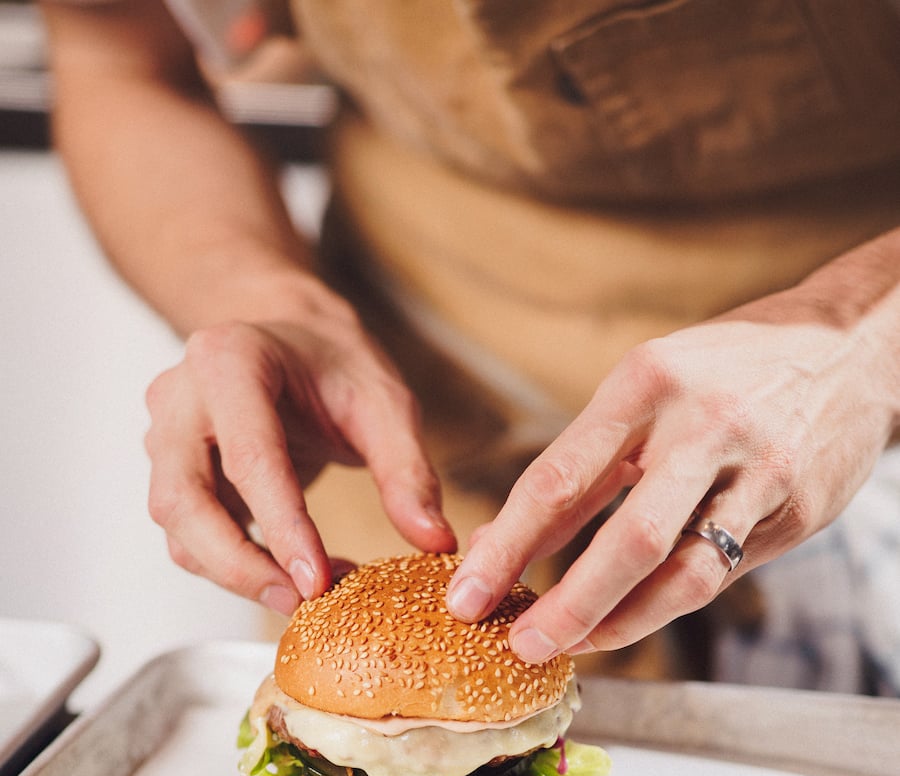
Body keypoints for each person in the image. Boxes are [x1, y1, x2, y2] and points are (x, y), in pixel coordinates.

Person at [37, 0, 900, 691]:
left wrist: (861, 340)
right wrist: (259, 297)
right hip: (413, 418)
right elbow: (119, 62)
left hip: (851, 388)